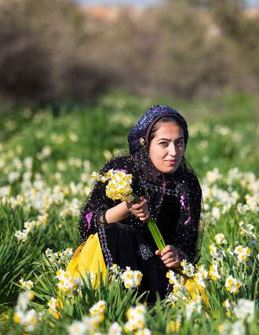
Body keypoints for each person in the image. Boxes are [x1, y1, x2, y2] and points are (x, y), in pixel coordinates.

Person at [74, 104, 202, 303]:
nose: (174, 152)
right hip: (114, 255)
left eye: (179, 143)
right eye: (163, 143)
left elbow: (188, 241)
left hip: (158, 268)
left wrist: (178, 255)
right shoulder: (121, 171)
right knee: (113, 233)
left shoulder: (187, 183)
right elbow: (87, 224)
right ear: (145, 143)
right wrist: (126, 209)